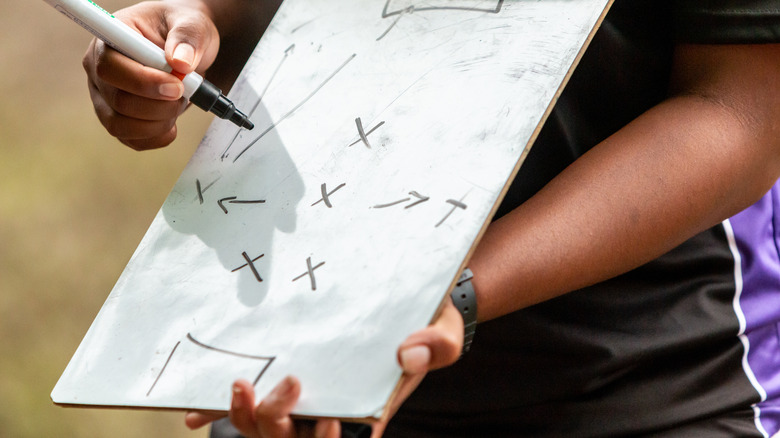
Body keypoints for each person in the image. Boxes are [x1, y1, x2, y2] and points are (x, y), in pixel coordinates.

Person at [82, 0, 780, 436]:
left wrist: (451, 292)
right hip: (299, 361)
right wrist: (198, 19)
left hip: (643, 384)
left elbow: (742, 112)